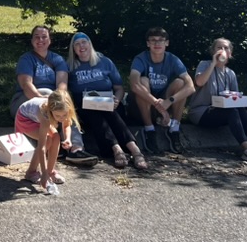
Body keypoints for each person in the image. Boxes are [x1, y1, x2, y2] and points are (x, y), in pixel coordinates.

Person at [187, 37, 247, 165]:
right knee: (231, 110)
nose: (222, 50)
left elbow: (235, 100)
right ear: (213, 51)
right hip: (201, 112)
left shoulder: (230, 73)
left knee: (239, 109)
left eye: (226, 48)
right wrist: (213, 64)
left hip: (221, 112)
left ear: (230, 53)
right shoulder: (205, 64)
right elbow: (199, 82)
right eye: (219, 48)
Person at [11, 25, 97, 167]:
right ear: (32, 40)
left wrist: (58, 100)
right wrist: (47, 100)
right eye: (37, 37)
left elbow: (62, 85)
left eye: (44, 37)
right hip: (26, 101)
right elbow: (27, 86)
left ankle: (75, 148)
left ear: (50, 40)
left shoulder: (57, 59)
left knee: (67, 107)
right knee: (47, 93)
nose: (40, 40)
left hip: (52, 101)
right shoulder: (26, 59)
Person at [67, 32, 148, 170]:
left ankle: (130, 150)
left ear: (90, 44)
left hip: (110, 104)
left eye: (84, 42)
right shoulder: (70, 66)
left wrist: (117, 100)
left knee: (108, 109)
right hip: (85, 107)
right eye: (77, 44)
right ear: (73, 49)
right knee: (94, 109)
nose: (81, 46)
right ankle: (121, 149)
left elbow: (119, 88)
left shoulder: (104, 62)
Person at [126, 27, 195, 154]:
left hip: (163, 102)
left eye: (161, 40)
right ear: (148, 43)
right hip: (143, 106)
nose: (157, 44)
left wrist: (169, 101)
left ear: (166, 43)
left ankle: (174, 129)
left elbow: (191, 87)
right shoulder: (140, 59)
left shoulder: (173, 59)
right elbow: (134, 84)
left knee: (180, 83)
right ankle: (149, 130)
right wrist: (159, 105)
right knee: (143, 80)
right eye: (153, 40)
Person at [15, 90, 79, 190]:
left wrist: (67, 139)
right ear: (51, 110)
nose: (61, 118)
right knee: (48, 140)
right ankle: (31, 172)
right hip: (25, 119)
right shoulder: (45, 115)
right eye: (57, 116)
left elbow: (66, 125)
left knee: (56, 137)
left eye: (64, 115)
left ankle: (50, 171)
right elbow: (42, 146)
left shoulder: (64, 109)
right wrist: (43, 174)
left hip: (36, 117)